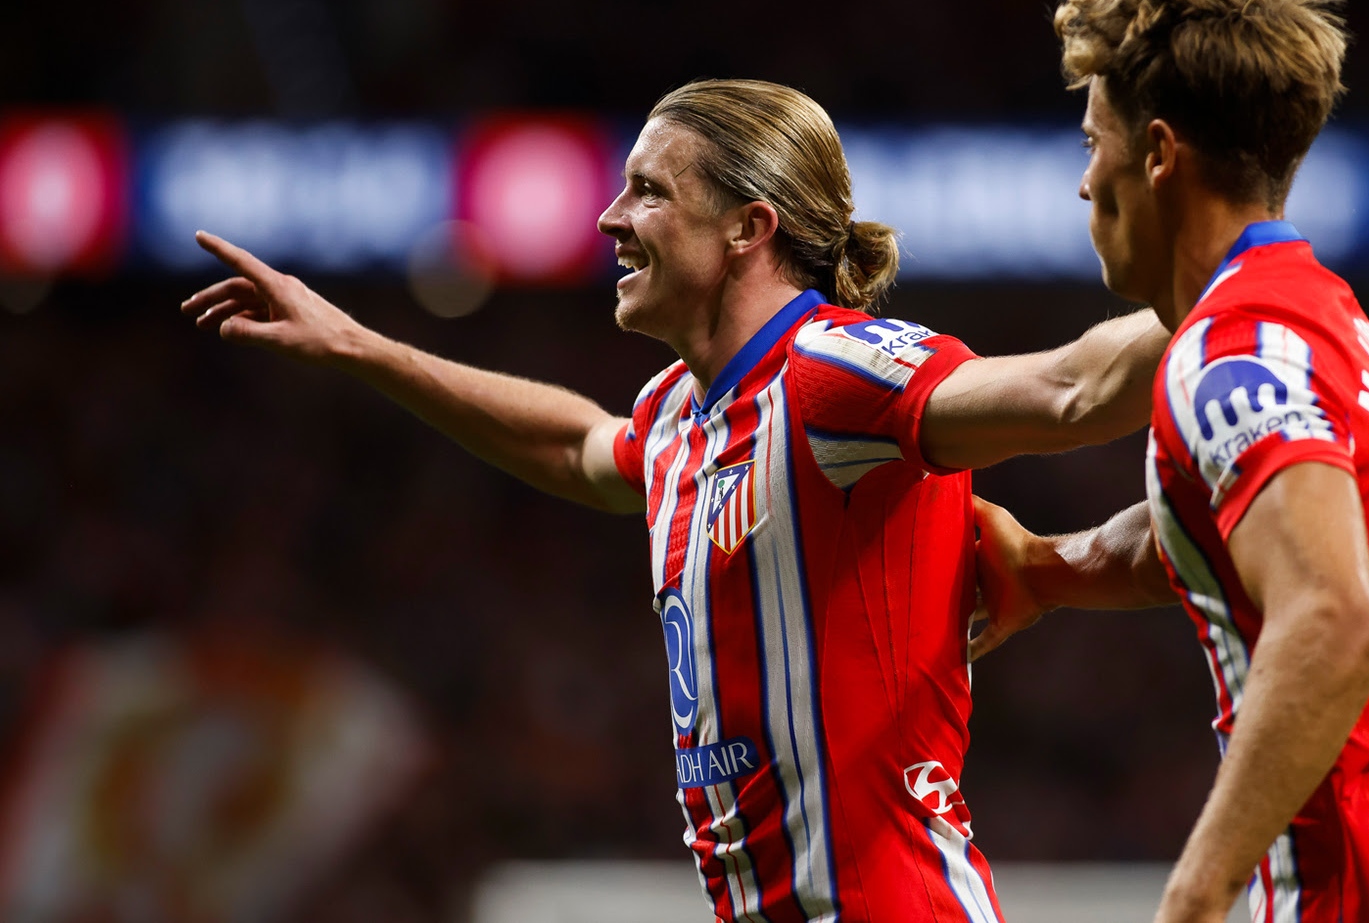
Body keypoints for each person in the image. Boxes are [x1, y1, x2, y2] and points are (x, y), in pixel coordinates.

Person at [181, 78, 1167, 923]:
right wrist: (363, 346)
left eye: (647, 192)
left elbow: (1068, 389)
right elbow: (574, 444)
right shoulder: (678, 417)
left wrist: (1247, 282)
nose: (610, 218)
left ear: (748, 227)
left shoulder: (829, 374)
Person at [967, 0, 1369, 923]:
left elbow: (1332, 616)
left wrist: (1195, 893)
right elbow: (1240, 533)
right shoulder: (1317, 321)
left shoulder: (1234, 354)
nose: (1082, 181)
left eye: (1090, 142)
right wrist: (1051, 568)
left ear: (1156, 152)